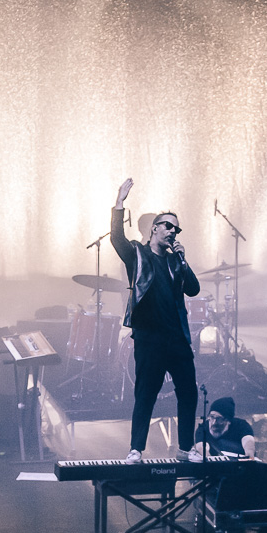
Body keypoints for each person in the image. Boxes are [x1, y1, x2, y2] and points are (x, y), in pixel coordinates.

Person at [111, 178, 201, 464]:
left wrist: (183, 260)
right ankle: (136, 449)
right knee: (146, 394)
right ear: (155, 228)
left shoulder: (175, 261)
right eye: (169, 226)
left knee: (188, 392)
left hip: (177, 338)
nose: (173, 231)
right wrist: (119, 203)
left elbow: (193, 289)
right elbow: (116, 239)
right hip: (149, 337)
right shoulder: (137, 254)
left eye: (177, 229)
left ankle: (186, 448)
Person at [192, 397, 256, 460]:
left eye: (219, 419)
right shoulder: (203, 428)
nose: (214, 422)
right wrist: (209, 459)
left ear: (228, 421)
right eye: (212, 417)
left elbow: (248, 441)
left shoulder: (241, 425)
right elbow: (201, 446)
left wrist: (249, 455)